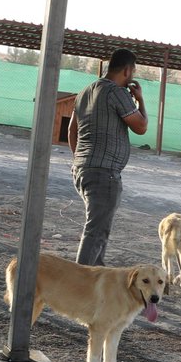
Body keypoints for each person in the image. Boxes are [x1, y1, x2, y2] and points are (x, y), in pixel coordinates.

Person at [67, 48, 148, 266]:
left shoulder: (84, 92)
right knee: (95, 232)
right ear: (127, 70)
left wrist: (81, 159)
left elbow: (72, 130)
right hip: (104, 174)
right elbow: (141, 127)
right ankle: (81, 280)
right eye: (133, 72)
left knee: (98, 230)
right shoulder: (116, 93)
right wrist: (140, 100)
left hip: (82, 169)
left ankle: (96, 278)